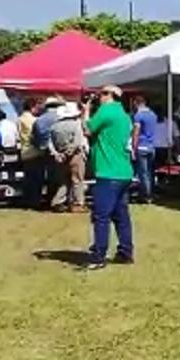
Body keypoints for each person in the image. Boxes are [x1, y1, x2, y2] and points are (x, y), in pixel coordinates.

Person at [83, 85, 134, 270]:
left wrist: (86, 111)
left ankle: (98, 255)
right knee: (121, 215)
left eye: (103, 94)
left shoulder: (106, 111)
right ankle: (125, 251)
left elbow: (87, 130)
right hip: (124, 171)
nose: (99, 97)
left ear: (112, 96)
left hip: (108, 171)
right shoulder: (124, 115)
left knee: (101, 216)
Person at [48, 102, 87, 213]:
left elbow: (50, 143)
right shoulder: (76, 125)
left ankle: (57, 202)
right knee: (77, 180)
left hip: (60, 156)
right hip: (75, 155)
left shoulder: (54, 127)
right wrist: (68, 152)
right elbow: (77, 142)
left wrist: (57, 154)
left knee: (64, 180)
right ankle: (78, 203)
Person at [25, 97, 63, 209]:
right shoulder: (61, 118)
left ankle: (45, 200)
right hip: (60, 150)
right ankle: (55, 200)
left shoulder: (39, 120)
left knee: (46, 176)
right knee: (59, 177)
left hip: (44, 151)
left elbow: (33, 138)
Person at [131, 94, 159, 204]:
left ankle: (146, 195)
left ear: (136, 103)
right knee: (151, 172)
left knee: (143, 173)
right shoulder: (153, 115)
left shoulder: (138, 115)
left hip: (142, 146)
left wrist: (134, 146)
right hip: (152, 146)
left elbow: (136, 132)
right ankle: (151, 192)